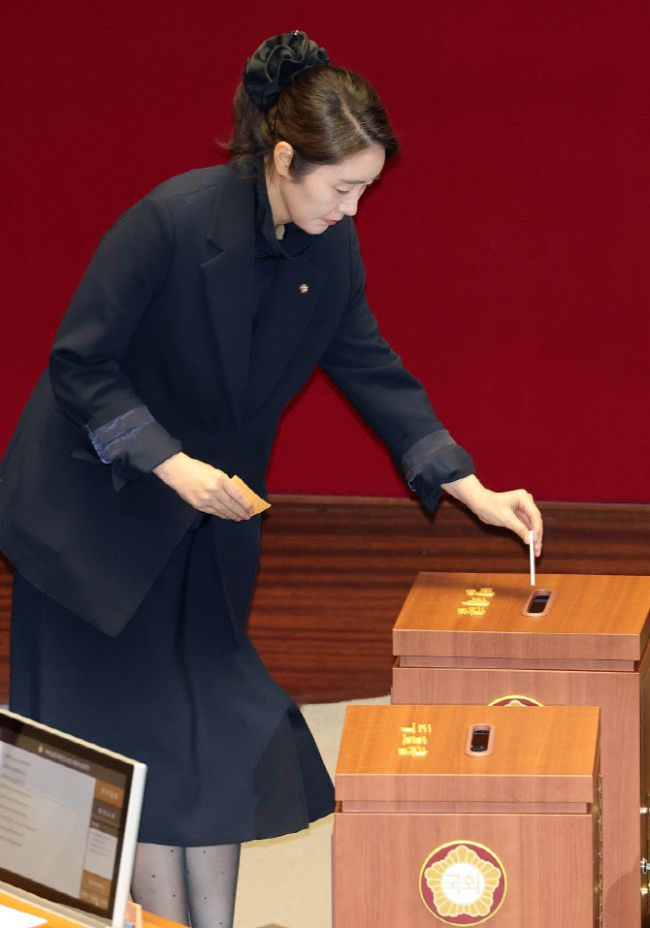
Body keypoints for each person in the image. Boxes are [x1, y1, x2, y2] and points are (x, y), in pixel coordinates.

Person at [0, 30, 543, 928]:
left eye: (366, 190)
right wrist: (172, 464)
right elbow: (80, 365)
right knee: (125, 760)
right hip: (96, 529)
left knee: (216, 739)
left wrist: (467, 484)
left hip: (205, 529)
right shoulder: (171, 222)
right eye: (343, 188)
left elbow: (370, 366)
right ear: (285, 159)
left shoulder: (328, 250)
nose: (354, 210)